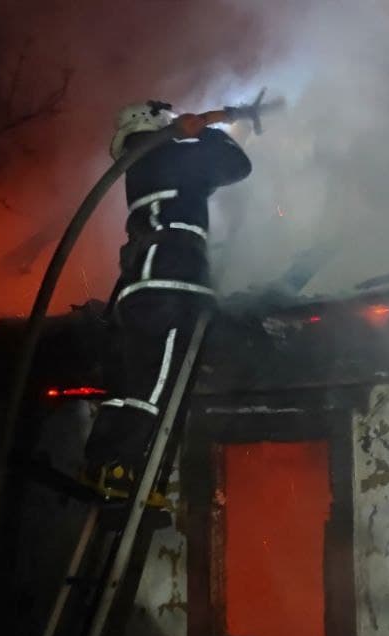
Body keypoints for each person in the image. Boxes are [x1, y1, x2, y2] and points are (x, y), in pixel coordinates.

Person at [82, 100, 252, 500]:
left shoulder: (145, 165)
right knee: (160, 383)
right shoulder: (170, 155)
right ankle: (125, 468)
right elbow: (236, 165)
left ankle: (101, 462)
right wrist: (207, 132)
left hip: (142, 284)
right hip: (174, 282)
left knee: (128, 383)